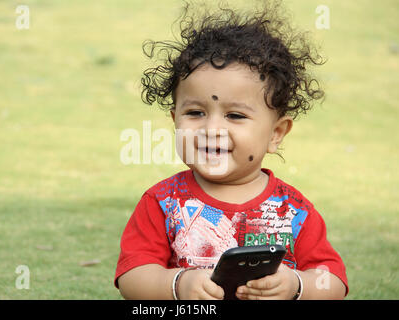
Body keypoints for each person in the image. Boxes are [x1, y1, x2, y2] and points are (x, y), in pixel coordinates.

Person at [114, 1, 348, 300]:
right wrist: (178, 284)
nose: (212, 129)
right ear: (175, 120)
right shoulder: (162, 203)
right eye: (196, 112)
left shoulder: (293, 211)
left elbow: (334, 283)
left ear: (276, 134)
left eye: (235, 116)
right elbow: (133, 277)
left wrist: (296, 285)